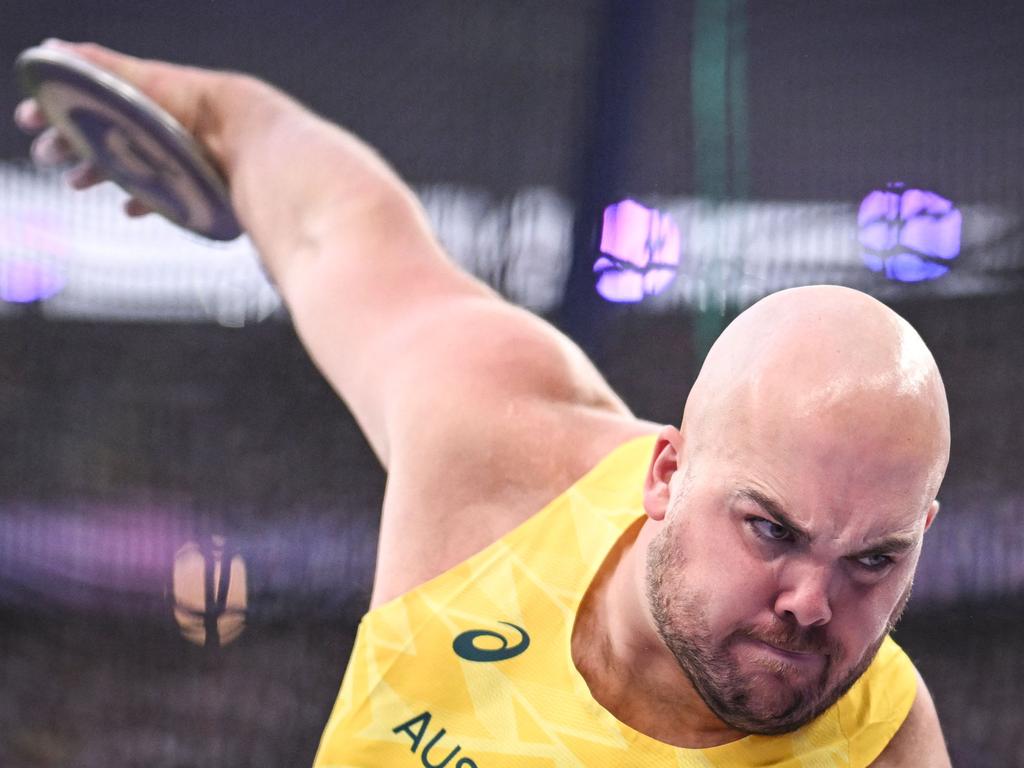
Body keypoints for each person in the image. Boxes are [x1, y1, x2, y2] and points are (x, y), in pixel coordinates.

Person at [15, 41, 952, 767]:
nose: (811, 606)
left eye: (873, 559)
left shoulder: (879, 745)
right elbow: (326, 227)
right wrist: (208, 115)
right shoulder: (503, 453)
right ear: (667, 472)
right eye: (772, 531)